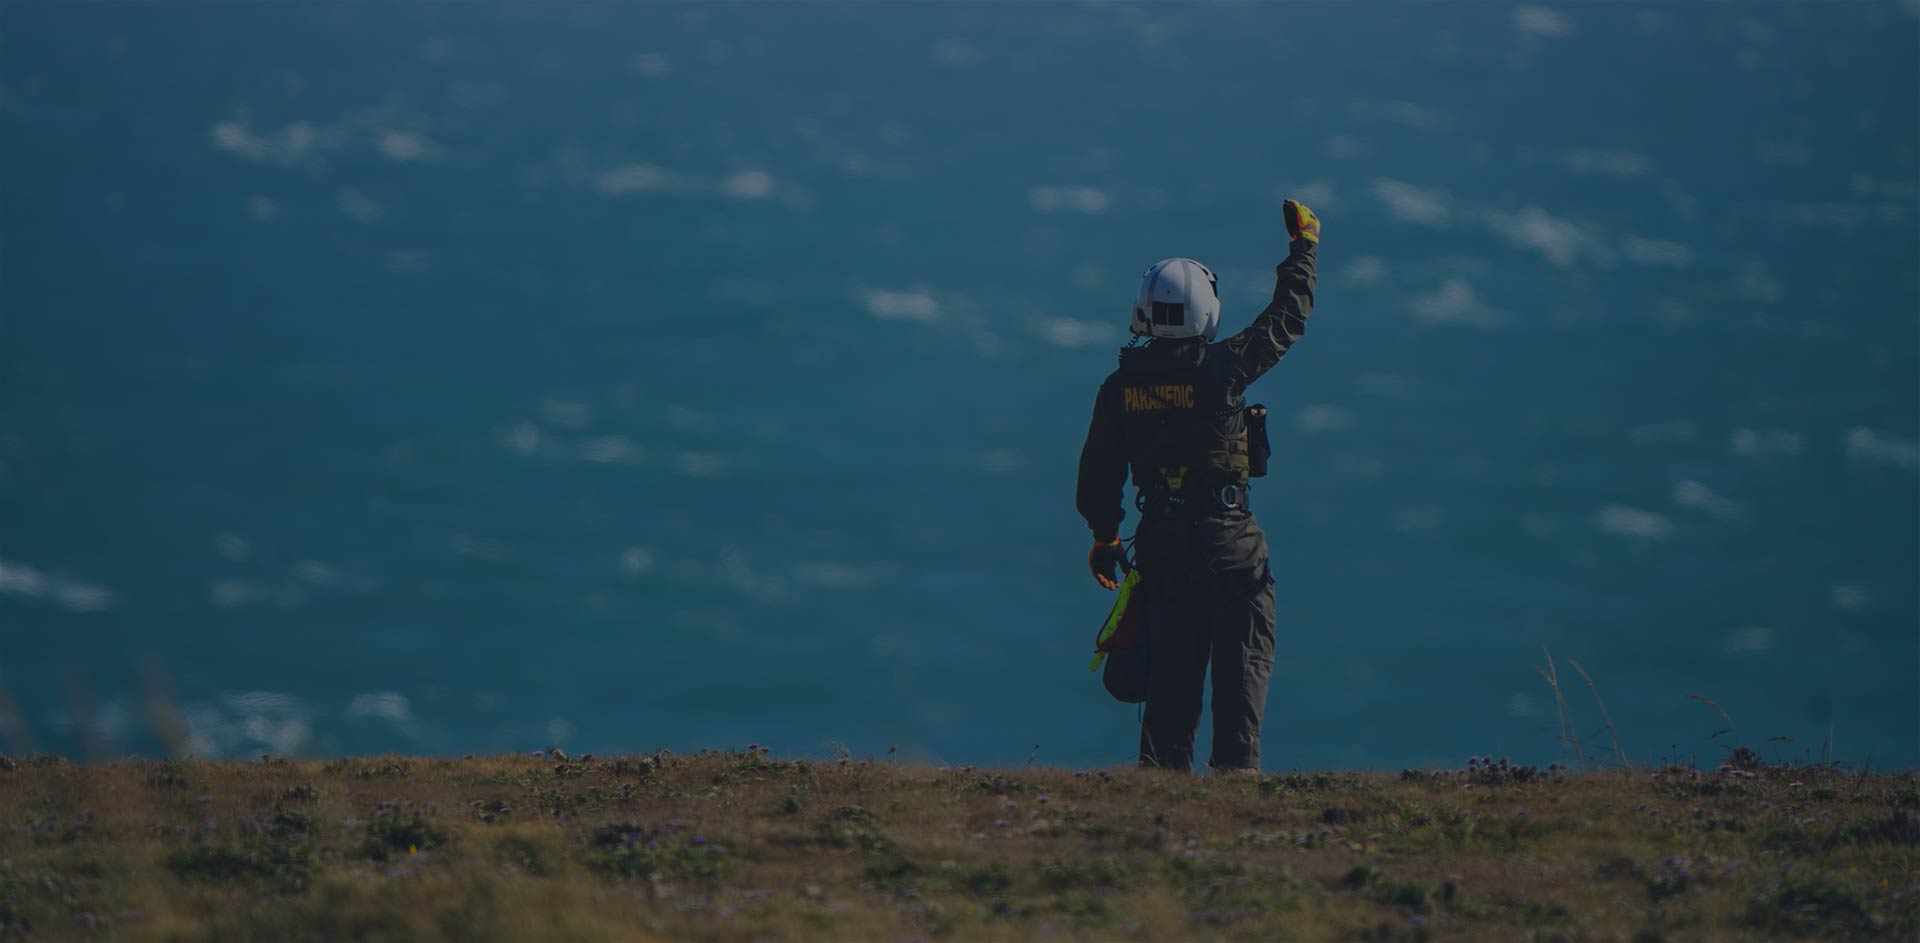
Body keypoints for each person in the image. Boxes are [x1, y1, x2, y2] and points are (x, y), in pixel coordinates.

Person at [1074, 200, 1321, 773]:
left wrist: (1106, 536)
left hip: (1162, 554)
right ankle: (1234, 803)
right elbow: (1287, 318)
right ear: (1207, 312)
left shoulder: (1119, 390)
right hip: (1231, 549)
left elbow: (1098, 477)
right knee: (1241, 687)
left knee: (1168, 709)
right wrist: (1303, 247)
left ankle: (1163, 822)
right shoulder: (1224, 369)